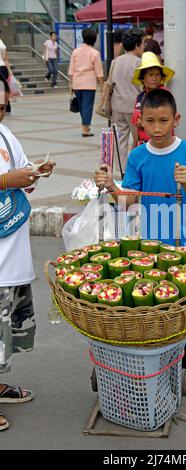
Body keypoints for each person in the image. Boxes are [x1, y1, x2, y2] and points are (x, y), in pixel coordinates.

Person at [94, 88, 186, 394]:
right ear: (140, 121)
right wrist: (110, 187)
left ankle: (183, 370)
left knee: (185, 311)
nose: (157, 128)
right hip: (150, 244)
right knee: (154, 308)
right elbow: (127, 202)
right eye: (150, 121)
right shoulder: (138, 155)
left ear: (176, 120)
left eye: (163, 121)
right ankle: (154, 366)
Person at [0, 74, 56, 431]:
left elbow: (22, 172)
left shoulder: (6, 135)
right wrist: (8, 180)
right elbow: (8, 178)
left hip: (12, 257)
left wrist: (36, 172)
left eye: (1, 104)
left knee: (3, 335)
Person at [109, 28, 144, 175]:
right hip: (135, 107)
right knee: (138, 140)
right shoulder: (139, 62)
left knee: (120, 140)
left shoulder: (115, 61)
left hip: (117, 106)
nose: (143, 47)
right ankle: (134, 169)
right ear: (136, 45)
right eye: (142, 44)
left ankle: (123, 171)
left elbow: (110, 83)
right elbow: (143, 86)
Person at [131, 51, 175, 147]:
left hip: (163, 144)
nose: (155, 78)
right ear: (142, 78)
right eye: (151, 75)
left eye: (157, 75)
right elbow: (135, 121)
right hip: (144, 145)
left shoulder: (165, 95)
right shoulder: (140, 97)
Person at [68, 28, 104, 137]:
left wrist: (71, 84)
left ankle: (86, 126)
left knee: (82, 105)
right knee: (87, 106)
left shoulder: (76, 51)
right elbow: (99, 72)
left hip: (77, 82)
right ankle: (85, 129)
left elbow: (71, 70)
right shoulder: (95, 53)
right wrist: (102, 86)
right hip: (89, 84)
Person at [0, 30, 12, 114]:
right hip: (2, 68)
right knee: (2, 89)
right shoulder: (1, 43)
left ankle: (5, 108)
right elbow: (4, 58)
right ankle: (6, 108)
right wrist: (9, 71)